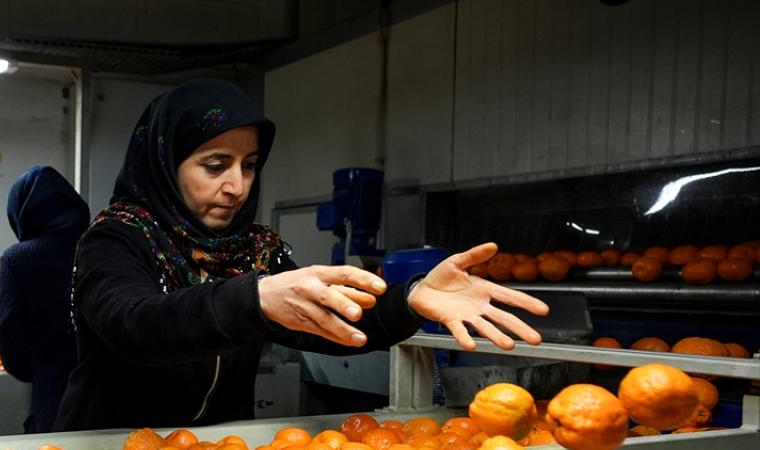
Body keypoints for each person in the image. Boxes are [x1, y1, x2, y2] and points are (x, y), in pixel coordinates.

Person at [55, 79, 549, 431]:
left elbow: (337, 324)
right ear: (164, 163)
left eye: (248, 166)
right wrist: (254, 298)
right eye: (214, 165)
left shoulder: (253, 251)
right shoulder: (116, 239)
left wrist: (412, 298)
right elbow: (135, 326)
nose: (237, 187)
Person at [0, 166, 90, 432]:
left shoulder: (19, 260)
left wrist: (41, 365)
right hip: (114, 395)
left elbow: (11, 345)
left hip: (54, 394)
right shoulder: (103, 244)